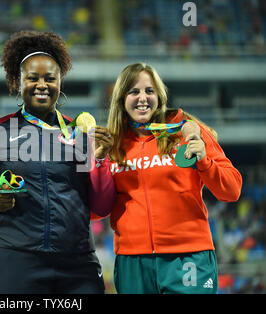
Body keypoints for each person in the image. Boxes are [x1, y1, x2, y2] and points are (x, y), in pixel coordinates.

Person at [0, 30, 115, 293]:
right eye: (32, 78)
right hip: (12, 258)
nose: (42, 84)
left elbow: (101, 207)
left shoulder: (79, 134)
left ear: (60, 81)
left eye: (50, 78)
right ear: (17, 80)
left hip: (76, 260)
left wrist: (101, 159)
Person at [94, 62, 242, 294]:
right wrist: (96, 164)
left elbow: (231, 190)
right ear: (122, 99)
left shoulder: (186, 132)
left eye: (149, 91)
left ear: (159, 96)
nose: (142, 98)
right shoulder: (111, 145)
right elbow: (95, 210)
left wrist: (204, 160)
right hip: (133, 261)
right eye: (134, 91)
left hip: (188, 256)